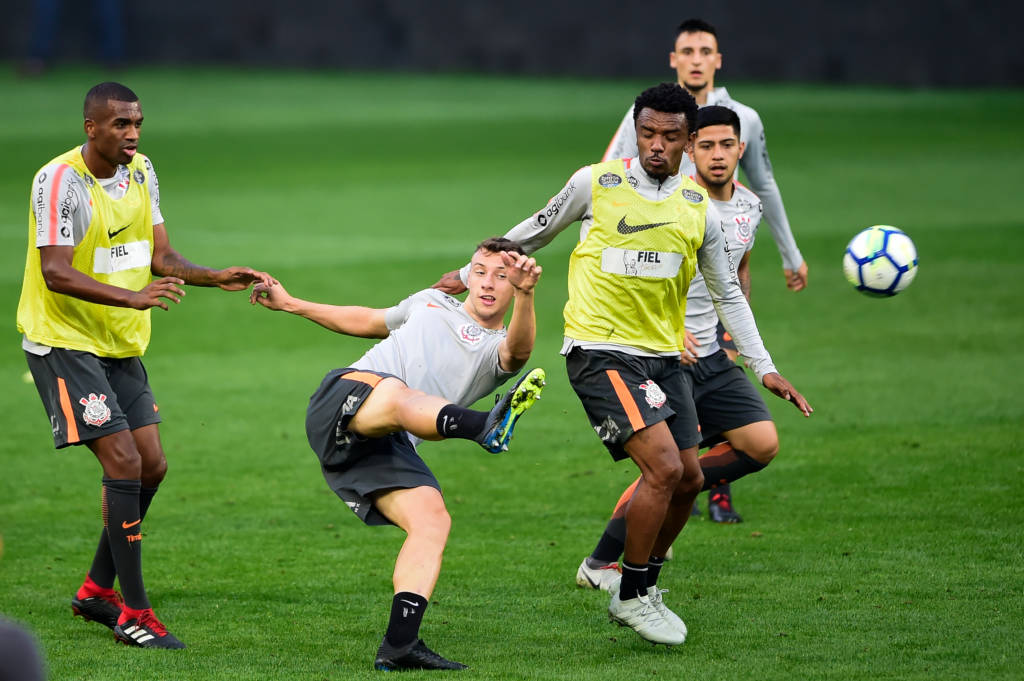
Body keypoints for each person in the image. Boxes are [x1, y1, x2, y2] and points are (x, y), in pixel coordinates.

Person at [434, 83, 812, 646]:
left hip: (664, 360)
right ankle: (630, 592)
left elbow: (728, 292)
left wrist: (764, 366)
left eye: (670, 136)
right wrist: (470, 275)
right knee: (663, 469)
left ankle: (644, 584)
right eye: (647, 133)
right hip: (598, 352)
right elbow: (532, 232)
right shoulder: (595, 183)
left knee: (688, 478)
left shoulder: (698, 209)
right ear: (636, 132)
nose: (657, 144)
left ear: (687, 141)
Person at [16, 82, 276, 649]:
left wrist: (212, 276)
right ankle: (135, 613)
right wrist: (132, 297)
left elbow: (161, 256)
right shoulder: (59, 180)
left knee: (151, 465)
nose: (132, 133)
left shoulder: (142, 171)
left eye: (137, 123)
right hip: (64, 343)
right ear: (91, 128)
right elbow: (55, 270)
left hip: (120, 343)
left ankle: (95, 590)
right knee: (124, 460)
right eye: (120, 124)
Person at [250, 237, 545, 671]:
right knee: (398, 392)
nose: (488, 283)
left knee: (432, 519)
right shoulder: (430, 301)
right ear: (468, 275)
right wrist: (291, 303)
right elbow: (368, 319)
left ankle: (400, 643)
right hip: (348, 395)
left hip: (387, 440)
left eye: (502, 277)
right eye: (480, 272)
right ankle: (481, 425)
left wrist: (527, 295)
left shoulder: (494, 348)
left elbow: (519, 352)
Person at [577, 105, 799, 591]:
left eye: (727, 146)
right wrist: (668, 329)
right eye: (707, 145)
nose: (717, 155)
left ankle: (667, 498)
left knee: (760, 444)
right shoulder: (672, 200)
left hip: (713, 355)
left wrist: (737, 343)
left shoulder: (749, 207)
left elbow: (737, 276)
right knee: (668, 469)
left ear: (741, 149)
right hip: (662, 354)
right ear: (691, 148)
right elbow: (630, 271)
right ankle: (602, 562)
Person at [603, 17, 809, 519]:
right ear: (674, 59)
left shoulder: (744, 120)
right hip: (660, 287)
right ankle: (661, 500)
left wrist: (790, 252)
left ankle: (711, 494)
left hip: (715, 293)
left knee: (725, 395)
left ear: (718, 60)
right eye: (688, 51)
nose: (696, 60)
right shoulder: (653, 117)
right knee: (679, 437)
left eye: (705, 51)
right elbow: (610, 177)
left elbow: (762, 188)